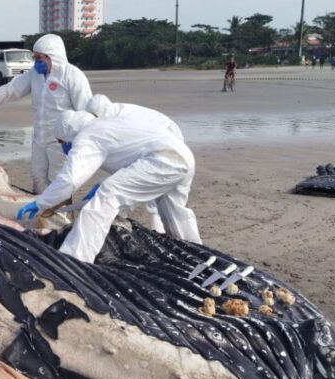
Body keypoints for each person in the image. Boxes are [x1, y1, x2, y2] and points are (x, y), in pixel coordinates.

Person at [16, 109, 201, 264]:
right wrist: (100, 183)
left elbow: (71, 179)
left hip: (163, 159)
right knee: (174, 212)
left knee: (107, 196)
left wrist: (41, 202)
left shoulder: (87, 135)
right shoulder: (106, 123)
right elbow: (131, 157)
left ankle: (75, 259)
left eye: (62, 142)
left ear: (67, 134)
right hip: (183, 155)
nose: (63, 147)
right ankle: (196, 255)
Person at [0, 34, 92, 193]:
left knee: (59, 181)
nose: (36, 62)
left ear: (52, 57)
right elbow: (10, 90)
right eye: (35, 58)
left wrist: (78, 141)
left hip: (61, 141)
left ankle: (61, 216)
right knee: (37, 176)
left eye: (40, 58)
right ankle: (40, 213)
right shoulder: (34, 74)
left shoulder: (72, 76)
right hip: (40, 138)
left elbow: (86, 112)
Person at [86, 94, 184, 234]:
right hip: (159, 142)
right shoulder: (113, 114)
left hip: (167, 143)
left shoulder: (116, 119)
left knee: (161, 197)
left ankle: (167, 235)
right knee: (142, 188)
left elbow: (128, 159)